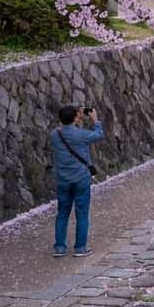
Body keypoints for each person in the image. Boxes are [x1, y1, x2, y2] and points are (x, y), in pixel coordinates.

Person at [51, 105, 103, 257]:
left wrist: (76, 119)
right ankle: (80, 248)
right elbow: (98, 135)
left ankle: (60, 248)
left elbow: (66, 131)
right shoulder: (81, 135)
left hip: (63, 179)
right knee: (82, 213)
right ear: (75, 118)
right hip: (81, 178)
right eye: (78, 114)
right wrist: (95, 120)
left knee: (62, 213)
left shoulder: (54, 134)